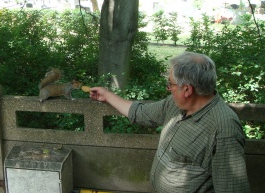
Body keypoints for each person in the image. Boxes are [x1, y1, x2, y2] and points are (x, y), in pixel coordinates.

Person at [89, 52, 250, 193]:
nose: (168, 88)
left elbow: (232, 189)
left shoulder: (223, 128)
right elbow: (141, 113)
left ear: (187, 89)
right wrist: (107, 95)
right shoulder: (175, 105)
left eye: (170, 84)